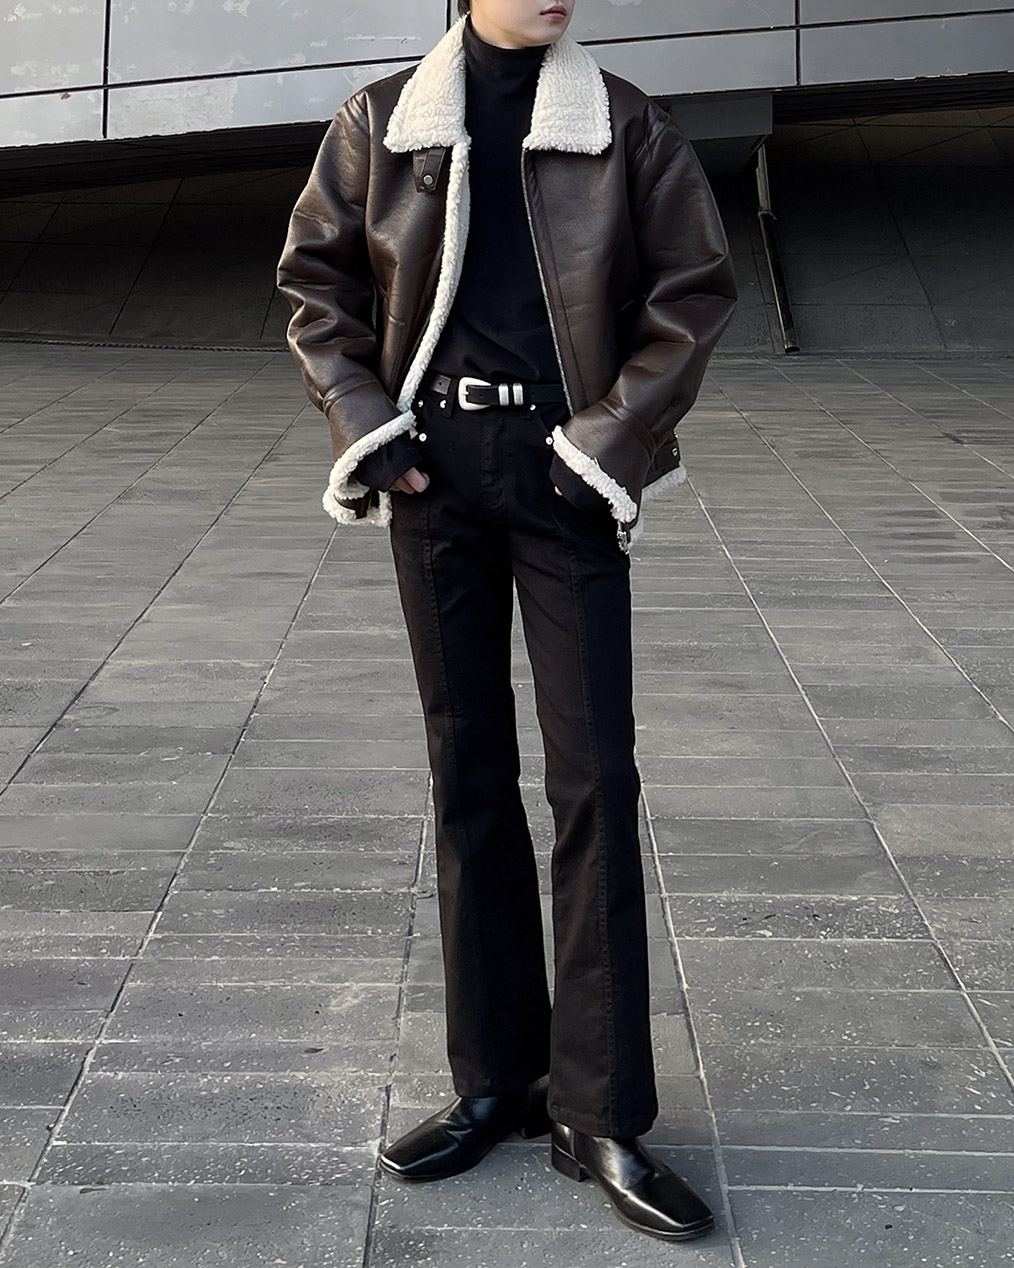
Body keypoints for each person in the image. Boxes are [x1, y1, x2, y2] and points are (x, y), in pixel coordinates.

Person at [276, 0, 737, 1244]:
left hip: (565, 476)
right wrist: (368, 424)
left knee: (595, 781)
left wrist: (609, 442)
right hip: (434, 474)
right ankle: (494, 1079)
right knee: (466, 772)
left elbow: (695, 291)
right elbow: (315, 284)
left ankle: (602, 1111)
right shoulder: (383, 121)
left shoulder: (626, 125)